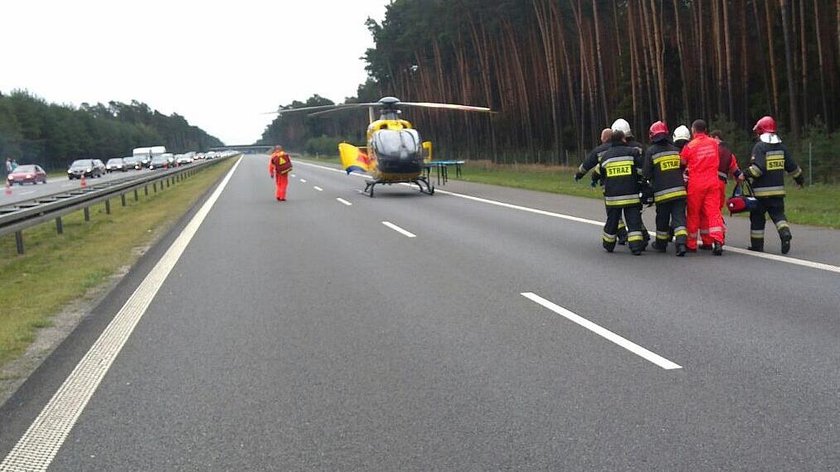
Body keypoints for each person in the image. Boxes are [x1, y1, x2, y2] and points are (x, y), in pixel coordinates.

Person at [575, 127, 646, 255]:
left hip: (612, 198)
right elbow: (641, 171)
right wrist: (641, 182)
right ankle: (636, 247)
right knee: (634, 221)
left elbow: (597, 171)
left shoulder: (606, 156)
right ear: (623, 139)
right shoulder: (632, 152)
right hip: (631, 196)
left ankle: (608, 244)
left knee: (612, 222)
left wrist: (589, 178)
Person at [743, 116, 804, 254]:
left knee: (757, 218)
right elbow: (792, 167)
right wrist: (800, 180)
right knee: (778, 215)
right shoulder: (782, 147)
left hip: (760, 193)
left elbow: (757, 170)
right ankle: (785, 234)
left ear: (761, 131)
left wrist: (745, 173)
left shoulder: (759, 147)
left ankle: (757, 246)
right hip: (778, 192)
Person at [680, 119, 725, 255]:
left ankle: (691, 244)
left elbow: (682, 161)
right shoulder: (713, 143)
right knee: (713, 213)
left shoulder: (690, 146)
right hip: (713, 182)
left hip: (696, 184)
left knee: (694, 214)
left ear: (693, 130)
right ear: (705, 130)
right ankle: (715, 242)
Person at [643, 121, 688, 256]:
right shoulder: (676, 150)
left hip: (662, 194)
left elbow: (646, 173)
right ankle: (681, 245)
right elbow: (682, 167)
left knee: (662, 219)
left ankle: (661, 244)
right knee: (679, 219)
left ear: (652, 136)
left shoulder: (651, 151)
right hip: (680, 192)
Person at [705, 130, 745, 248]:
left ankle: (714, 239)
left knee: (709, 212)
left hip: (709, 182)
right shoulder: (729, 153)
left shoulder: (710, 149)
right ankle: (719, 236)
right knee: (716, 211)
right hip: (721, 184)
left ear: (715, 137)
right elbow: (737, 172)